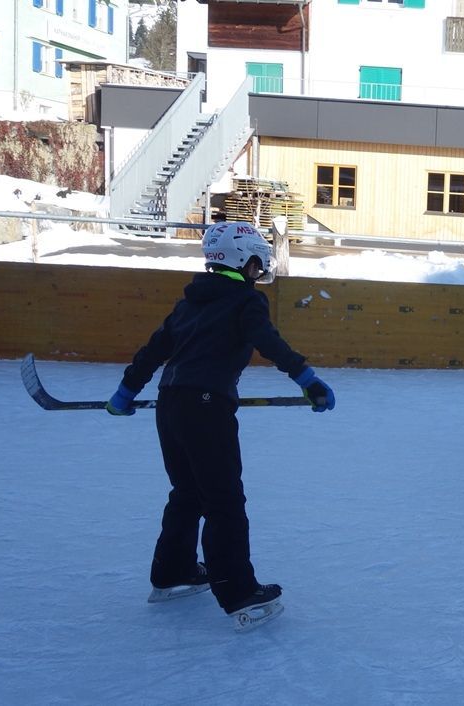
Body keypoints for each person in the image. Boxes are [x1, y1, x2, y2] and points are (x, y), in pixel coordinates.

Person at [104, 221, 335, 632]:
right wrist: (307, 379)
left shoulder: (189, 302)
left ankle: (172, 572)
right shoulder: (246, 301)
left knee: (188, 492)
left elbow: (154, 351)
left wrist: (125, 392)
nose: (260, 264)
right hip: (207, 409)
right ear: (243, 259)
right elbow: (268, 341)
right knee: (224, 501)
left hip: (170, 404)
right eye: (257, 256)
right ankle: (239, 594)